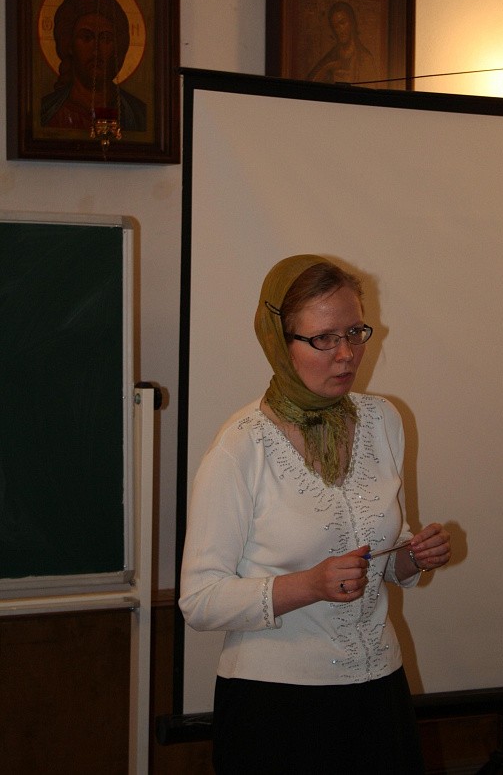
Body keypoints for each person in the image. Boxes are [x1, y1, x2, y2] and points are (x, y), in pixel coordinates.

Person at [179, 254, 451, 774]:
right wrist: (309, 585)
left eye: (355, 332)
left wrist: (413, 557)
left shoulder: (383, 420)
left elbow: (381, 556)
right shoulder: (241, 446)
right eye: (323, 338)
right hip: (277, 707)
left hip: (379, 690)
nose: (346, 354)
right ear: (279, 342)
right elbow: (200, 600)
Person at [41, 0, 146, 132]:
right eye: (86, 37)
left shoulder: (137, 113)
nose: (96, 50)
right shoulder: (48, 111)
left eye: (105, 39)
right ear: (70, 44)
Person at [307, 0, 380, 84]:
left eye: (342, 23)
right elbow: (309, 84)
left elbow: (371, 86)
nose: (340, 30)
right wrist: (327, 68)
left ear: (352, 22)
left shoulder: (365, 58)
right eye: (335, 26)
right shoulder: (331, 57)